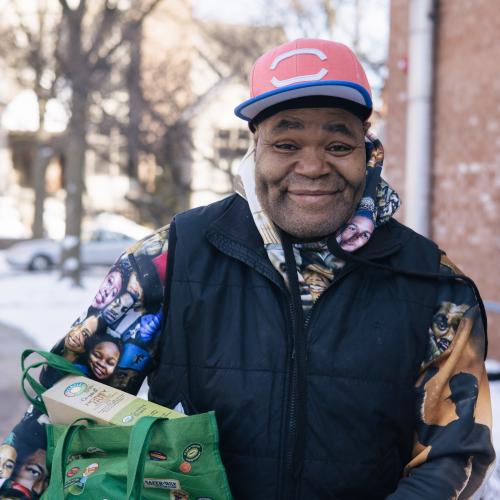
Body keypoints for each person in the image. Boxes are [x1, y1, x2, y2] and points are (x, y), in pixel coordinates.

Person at [0, 38, 495, 499]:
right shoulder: (172, 257)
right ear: (255, 146)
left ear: (367, 149)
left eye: (338, 145)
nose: (313, 165)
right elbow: (64, 406)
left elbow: (454, 454)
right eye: (287, 143)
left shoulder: (434, 285)